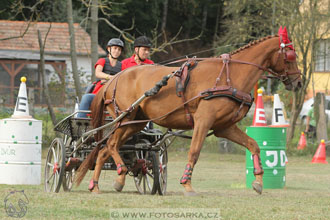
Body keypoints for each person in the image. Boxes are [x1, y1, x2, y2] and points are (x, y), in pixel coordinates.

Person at [77, 38, 124, 118]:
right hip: (98, 94)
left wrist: (108, 81)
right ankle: (80, 121)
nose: (117, 51)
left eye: (119, 49)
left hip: (113, 97)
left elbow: (123, 80)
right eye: (115, 48)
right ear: (109, 49)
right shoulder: (102, 61)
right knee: (86, 97)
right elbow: (98, 73)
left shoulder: (122, 66)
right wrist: (111, 77)